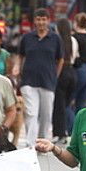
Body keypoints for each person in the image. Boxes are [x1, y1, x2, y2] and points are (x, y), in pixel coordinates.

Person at [10, 8, 63, 146]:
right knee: (31, 113)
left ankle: (42, 142)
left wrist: (54, 75)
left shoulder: (55, 39)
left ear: (48, 21)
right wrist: (17, 67)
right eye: (38, 19)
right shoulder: (27, 38)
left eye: (44, 19)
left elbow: (60, 59)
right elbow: (20, 56)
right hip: (28, 81)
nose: (41, 22)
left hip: (48, 81)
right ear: (34, 21)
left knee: (46, 116)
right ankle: (31, 144)